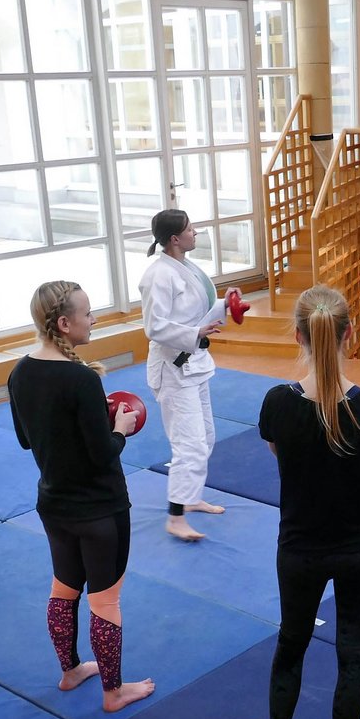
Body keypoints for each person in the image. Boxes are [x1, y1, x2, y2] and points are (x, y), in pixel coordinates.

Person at [245, 285, 360, 719]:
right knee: (354, 651)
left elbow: (284, 458)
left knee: (292, 643)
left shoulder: (277, 402)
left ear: (298, 335)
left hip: (302, 547)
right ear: (349, 334)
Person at [8, 280, 156, 713]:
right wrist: (119, 428)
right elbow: (102, 453)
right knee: (105, 599)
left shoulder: (20, 371)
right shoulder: (80, 379)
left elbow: (23, 439)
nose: (94, 320)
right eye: (88, 313)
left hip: (53, 505)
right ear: (65, 323)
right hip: (100, 508)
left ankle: (70, 670)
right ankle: (114, 692)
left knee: (64, 587)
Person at [138, 209, 241, 541]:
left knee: (206, 436)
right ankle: (175, 517)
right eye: (190, 229)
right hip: (173, 368)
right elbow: (155, 327)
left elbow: (195, 313)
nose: (195, 233)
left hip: (194, 363)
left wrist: (226, 303)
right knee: (189, 444)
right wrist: (195, 332)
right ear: (174, 239)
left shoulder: (186, 267)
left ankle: (191, 496)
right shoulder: (159, 275)